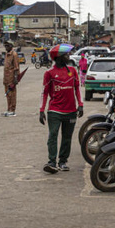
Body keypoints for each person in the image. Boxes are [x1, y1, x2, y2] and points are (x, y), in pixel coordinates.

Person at [39, 44, 83, 174]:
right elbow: (44, 92)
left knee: (67, 137)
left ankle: (63, 161)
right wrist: (41, 110)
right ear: (58, 57)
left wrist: (80, 104)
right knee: (53, 135)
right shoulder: (49, 73)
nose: (68, 56)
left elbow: (77, 89)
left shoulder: (73, 71)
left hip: (71, 111)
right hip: (54, 111)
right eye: (66, 54)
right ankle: (52, 162)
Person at [2, 40, 20, 117]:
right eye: (5, 46)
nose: (6, 47)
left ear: (11, 46)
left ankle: (12, 110)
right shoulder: (6, 54)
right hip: (6, 78)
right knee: (7, 95)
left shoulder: (14, 55)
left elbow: (16, 68)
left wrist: (15, 79)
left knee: (12, 95)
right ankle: (8, 109)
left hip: (12, 78)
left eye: (7, 46)